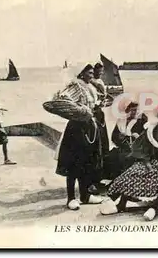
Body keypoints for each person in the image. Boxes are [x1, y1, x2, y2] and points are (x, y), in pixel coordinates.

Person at [99, 107, 158, 221]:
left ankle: (154, 207)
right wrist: (147, 163)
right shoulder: (150, 131)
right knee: (132, 172)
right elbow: (141, 149)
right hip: (152, 161)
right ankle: (121, 204)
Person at [55, 64, 104, 210]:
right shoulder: (76, 86)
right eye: (88, 72)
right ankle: (71, 198)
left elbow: (93, 104)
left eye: (92, 72)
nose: (91, 74)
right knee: (74, 164)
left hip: (89, 126)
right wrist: (79, 110)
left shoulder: (91, 86)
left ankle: (85, 195)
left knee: (87, 163)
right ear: (81, 73)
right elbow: (63, 100)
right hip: (76, 129)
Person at [106, 101, 149, 181]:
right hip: (123, 147)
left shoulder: (142, 120)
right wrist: (120, 138)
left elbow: (146, 135)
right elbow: (113, 137)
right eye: (132, 110)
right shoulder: (121, 122)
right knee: (113, 157)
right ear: (127, 111)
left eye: (136, 110)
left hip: (137, 148)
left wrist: (137, 136)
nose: (134, 112)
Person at [87, 62, 112, 195]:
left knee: (102, 147)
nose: (99, 74)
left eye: (101, 72)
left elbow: (104, 97)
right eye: (98, 71)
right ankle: (92, 180)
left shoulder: (98, 82)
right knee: (95, 148)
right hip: (93, 115)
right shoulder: (89, 83)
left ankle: (98, 178)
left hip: (99, 115)